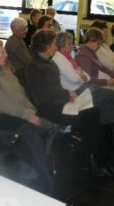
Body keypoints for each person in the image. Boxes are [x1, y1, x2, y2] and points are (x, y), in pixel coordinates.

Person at [25, 29, 114, 177]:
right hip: (49, 108)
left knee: (94, 112)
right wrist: (67, 94)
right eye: (53, 44)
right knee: (90, 115)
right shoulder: (34, 66)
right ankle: (95, 160)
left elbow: (56, 87)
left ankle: (92, 157)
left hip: (60, 102)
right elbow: (44, 94)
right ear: (46, 46)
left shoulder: (48, 61)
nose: (55, 47)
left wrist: (68, 95)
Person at [0, 37, 54, 193]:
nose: (6, 54)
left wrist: (30, 109)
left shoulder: (3, 71)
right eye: (2, 51)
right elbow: (1, 105)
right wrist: (27, 115)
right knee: (32, 134)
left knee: (49, 128)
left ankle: (29, 171)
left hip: (11, 115)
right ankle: (42, 181)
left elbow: (20, 94)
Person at [53, 31, 114, 125]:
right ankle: (105, 127)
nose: (72, 45)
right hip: (78, 92)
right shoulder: (62, 58)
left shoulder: (68, 57)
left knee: (110, 97)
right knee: (110, 97)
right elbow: (75, 78)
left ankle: (105, 126)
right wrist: (82, 75)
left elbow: (86, 75)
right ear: (62, 45)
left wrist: (81, 75)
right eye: (69, 43)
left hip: (84, 87)